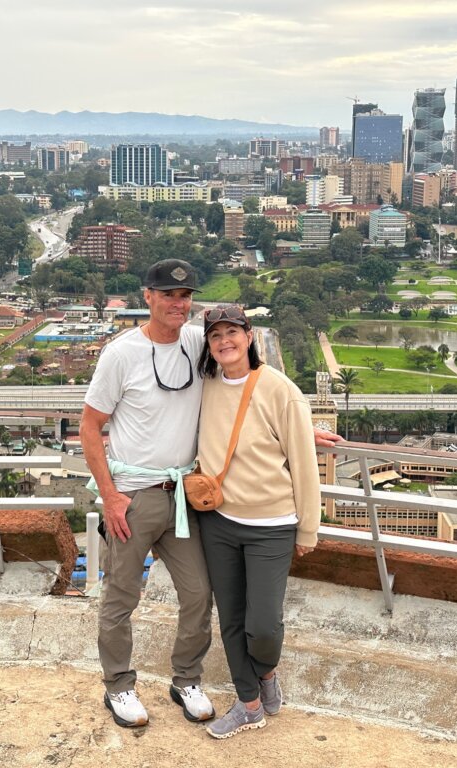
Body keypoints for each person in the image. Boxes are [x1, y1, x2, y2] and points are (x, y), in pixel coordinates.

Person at [80, 260, 339, 730]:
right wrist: (110, 496)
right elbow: (90, 426)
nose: (178, 304)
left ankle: (186, 679)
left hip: (185, 495)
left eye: (185, 297)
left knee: (199, 595)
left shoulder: (199, 343)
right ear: (148, 297)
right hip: (134, 495)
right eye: (168, 296)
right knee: (121, 595)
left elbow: (245, 388)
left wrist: (301, 428)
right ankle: (118, 686)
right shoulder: (121, 354)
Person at [193, 304, 320, 740]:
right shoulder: (205, 385)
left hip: (272, 524)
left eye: (233, 332)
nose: (224, 341)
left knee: (262, 623)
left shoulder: (280, 390)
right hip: (219, 520)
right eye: (215, 336)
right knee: (229, 616)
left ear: (250, 337)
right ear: (208, 345)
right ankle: (248, 703)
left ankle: (266, 672)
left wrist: (308, 528)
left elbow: (303, 461)